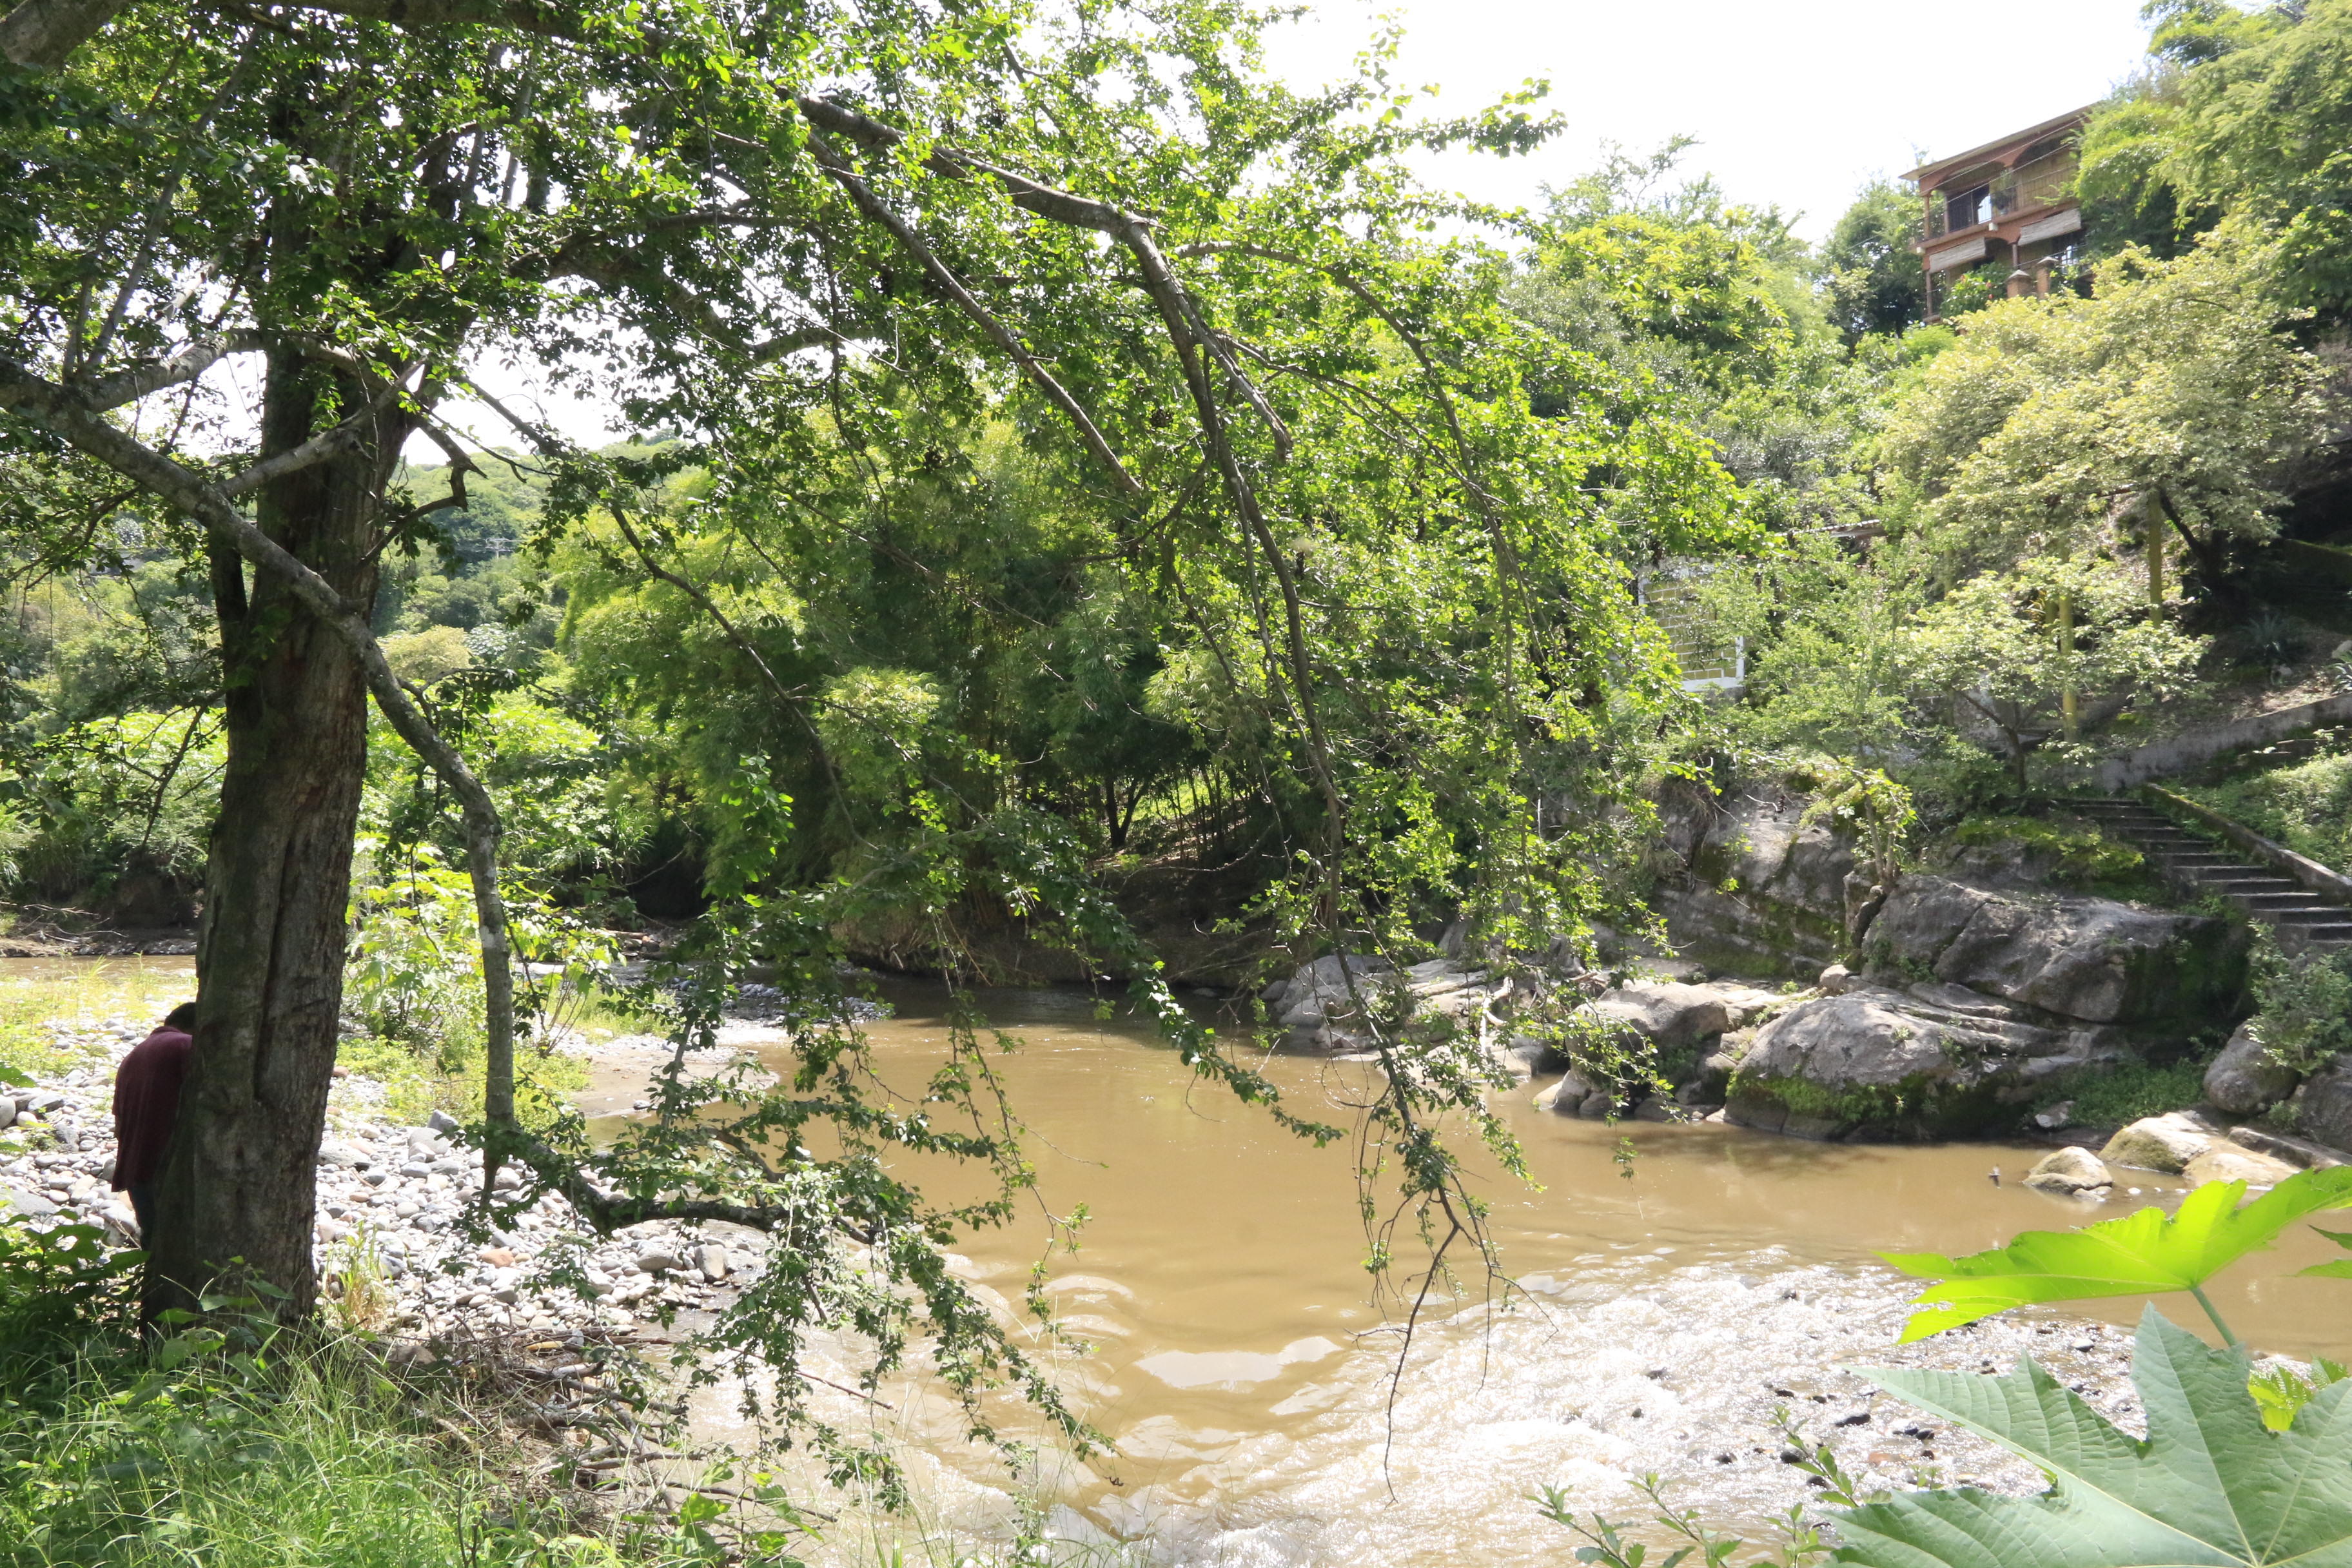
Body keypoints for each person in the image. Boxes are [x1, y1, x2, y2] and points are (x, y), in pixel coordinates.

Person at [111, 1002, 197, 1240]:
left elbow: (118, 1125)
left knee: (154, 1240)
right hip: (166, 1167)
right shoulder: (186, 1045)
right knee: (179, 1242)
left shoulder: (134, 1055)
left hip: (135, 1169)